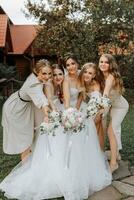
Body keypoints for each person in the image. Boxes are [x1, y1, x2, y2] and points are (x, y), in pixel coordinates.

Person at [0, 55, 112, 200]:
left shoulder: (79, 76)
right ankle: (52, 168)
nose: (54, 76)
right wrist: (62, 113)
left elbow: (79, 94)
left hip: (70, 110)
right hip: (44, 109)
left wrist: (76, 109)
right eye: (50, 74)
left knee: (81, 138)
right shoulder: (45, 84)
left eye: (72, 64)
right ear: (38, 72)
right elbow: (48, 101)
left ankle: (77, 168)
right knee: (39, 138)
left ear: (77, 65)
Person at [1, 59, 52, 160]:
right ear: (37, 72)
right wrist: (48, 115)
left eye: (49, 73)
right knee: (25, 141)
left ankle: (31, 161)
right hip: (16, 109)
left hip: (25, 106)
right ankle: (25, 168)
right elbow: (42, 101)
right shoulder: (33, 85)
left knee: (30, 136)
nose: (47, 76)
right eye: (44, 73)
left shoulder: (37, 77)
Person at [98, 53, 129, 173]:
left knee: (112, 130)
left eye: (106, 62)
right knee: (103, 126)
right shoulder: (99, 75)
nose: (103, 64)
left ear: (111, 64)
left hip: (120, 106)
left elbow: (105, 93)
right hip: (110, 105)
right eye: (101, 61)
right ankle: (115, 154)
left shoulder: (111, 76)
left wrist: (101, 105)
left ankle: (114, 163)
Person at [77, 62, 105, 150]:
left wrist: (93, 115)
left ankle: (99, 152)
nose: (87, 75)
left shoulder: (95, 84)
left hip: (100, 106)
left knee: (96, 129)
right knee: (91, 130)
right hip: (91, 107)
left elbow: (96, 100)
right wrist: (75, 111)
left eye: (90, 73)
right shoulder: (83, 83)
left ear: (93, 75)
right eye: (85, 72)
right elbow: (80, 98)